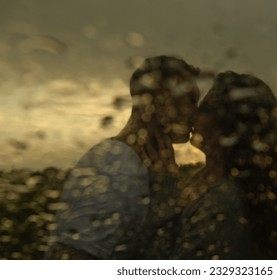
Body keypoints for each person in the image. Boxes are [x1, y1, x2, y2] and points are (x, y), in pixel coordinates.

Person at [46, 55, 200, 259]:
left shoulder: (145, 164)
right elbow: (70, 257)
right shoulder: (117, 164)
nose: (195, 113)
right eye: (189, 100)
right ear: (160, 98)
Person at [173, 71, 277, 259]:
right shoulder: (206, 177)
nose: (195, 114)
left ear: (229, 122)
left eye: (205, 108)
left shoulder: (223, 202)